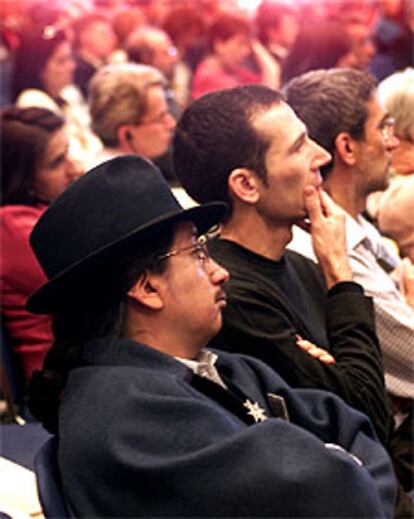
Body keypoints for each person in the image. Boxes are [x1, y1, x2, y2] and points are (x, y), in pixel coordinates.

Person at [27, 155, 396, 517]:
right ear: (146, 286)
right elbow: (330, 489)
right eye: (198, 253)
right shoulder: (130, 419)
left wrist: (351, 478)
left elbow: (353, 427)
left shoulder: (215, 366)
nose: (220, 271)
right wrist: (347, 470)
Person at [173, 84, 393, 447]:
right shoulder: (232, 295)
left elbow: (367, 395)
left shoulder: (299, 265)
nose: (321, 156)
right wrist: (339, 273)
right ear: (246, 185)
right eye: (298, 147)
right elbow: (368, 414)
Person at [284, 68, 414, 495]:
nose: (393, 141)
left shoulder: (357, 225)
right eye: (383, 127)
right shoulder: (329, 250)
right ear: (347, 147)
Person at [0, 106, 81, 385]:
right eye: (57, 162)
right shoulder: (15, 230)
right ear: (22, 178)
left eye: (69, 152)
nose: (75, 168)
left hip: (92, 363)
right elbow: (104, 289)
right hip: (63, 385)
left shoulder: (42, 211)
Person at [12, 24, 101, 167]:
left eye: (70, 58)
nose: (72, 66)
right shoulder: (32, 102)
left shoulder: (69, 93)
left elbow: (94, 139)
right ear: (38, 70)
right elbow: (73, 157)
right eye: (61, 61)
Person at [191, 13, 280, 100]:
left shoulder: (231, 70)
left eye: (247, 45)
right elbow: (266, 97)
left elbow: (266, 83)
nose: (246, 52)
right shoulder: (208, 78)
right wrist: (256, 46)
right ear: (220, 44)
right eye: (240, 44)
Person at [72, 13, 117, 99]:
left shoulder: (98, 66)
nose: (112, 38)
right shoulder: (80, 73)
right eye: (104, 34)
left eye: (111, 34)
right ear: (85, 37)